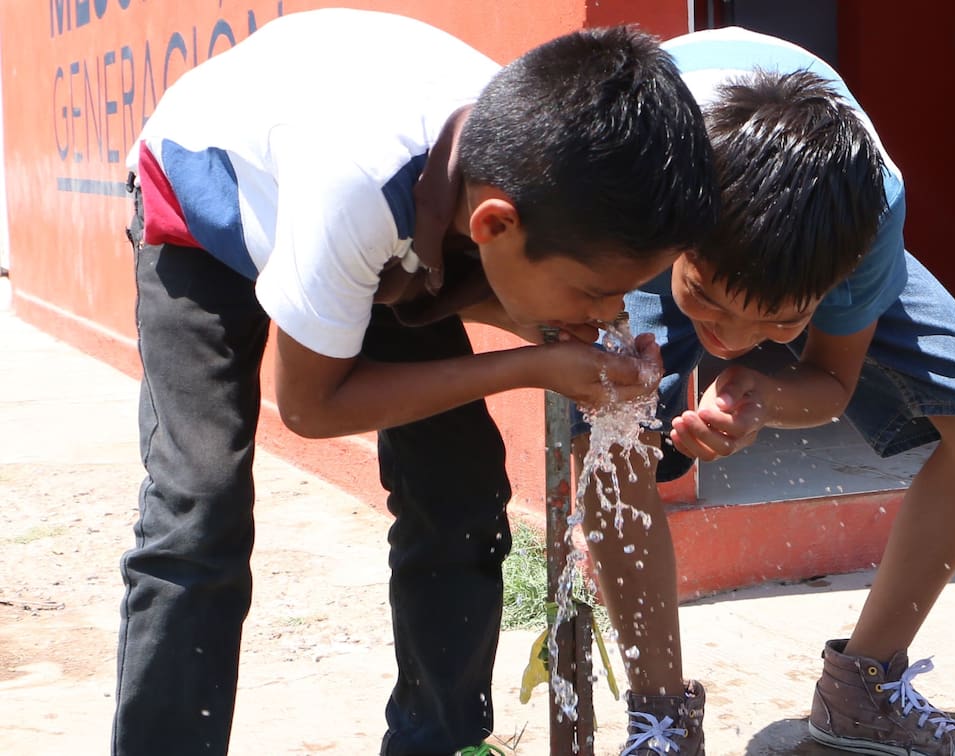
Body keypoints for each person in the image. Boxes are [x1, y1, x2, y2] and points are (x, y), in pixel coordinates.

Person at [114, 9, 717, 756]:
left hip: (369, 235)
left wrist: (558, 332)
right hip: (202, 208)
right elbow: (310, 405)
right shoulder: (362, 188)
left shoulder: (532, 162)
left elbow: (461, 284)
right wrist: (531, 363)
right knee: (198, 511)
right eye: (597, 293)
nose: (610, 314)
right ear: (493, 228)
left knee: (458, 491)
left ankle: (438, 744)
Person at [575, 27, 955, 756]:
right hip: (664, 186)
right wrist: (623, 382)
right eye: (708, 304)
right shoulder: (622, 173)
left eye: (779, 319)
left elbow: (831, 379)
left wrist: (764, 398)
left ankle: (862, 691)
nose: (729, 341)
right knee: (616, 429)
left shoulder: (866, 213)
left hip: (786, 213)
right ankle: (659, 719)